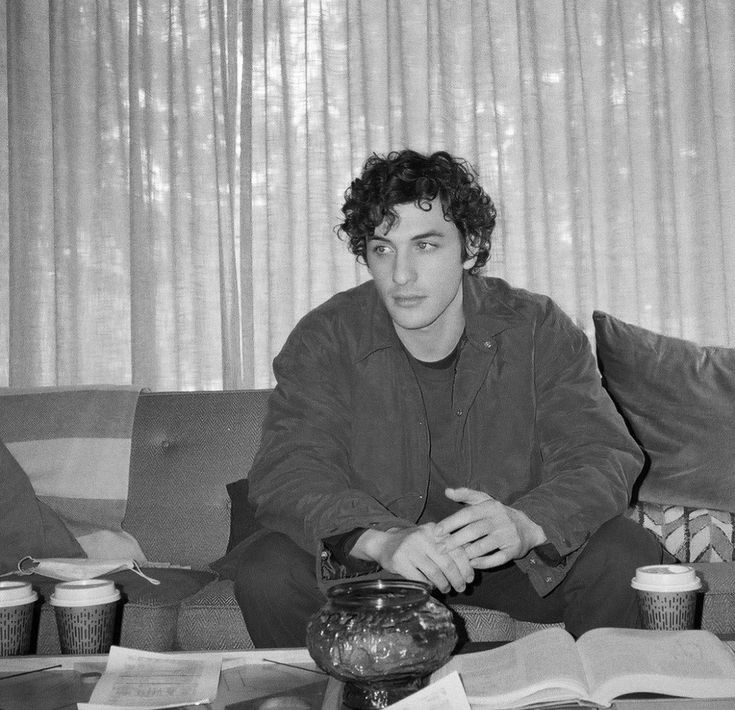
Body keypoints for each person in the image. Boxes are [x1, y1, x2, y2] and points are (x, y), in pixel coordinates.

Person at [233, 149, 666, 648]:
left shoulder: (535, 326)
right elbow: (288, 469)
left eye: (425, 245)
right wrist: (379, 538)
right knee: (268, 568)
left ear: (470, 245)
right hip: (381, 565)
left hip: (510, 559)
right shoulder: (326, 336)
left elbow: (603, 453)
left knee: (627, 551)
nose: (400, 275)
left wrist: (528, 523)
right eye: (382, 249)